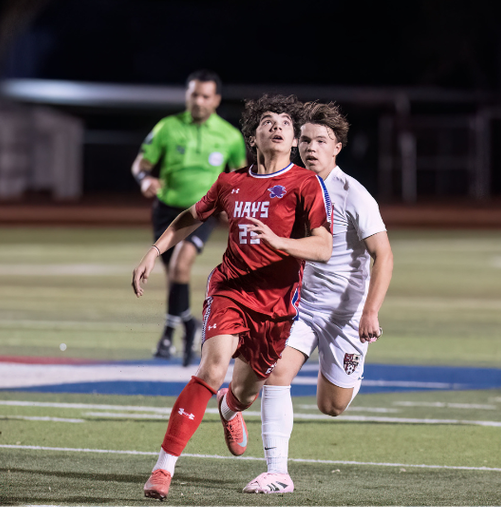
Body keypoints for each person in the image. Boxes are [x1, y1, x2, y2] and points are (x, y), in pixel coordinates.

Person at [132, 95, 333, 501]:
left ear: (294, 140)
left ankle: (228, 409)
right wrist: (154, 252)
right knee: (212, 367)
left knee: (245, 393)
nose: (277, 126)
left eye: (285, 124)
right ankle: (162, 468)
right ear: (253, 135)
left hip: (276, 306)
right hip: (230, 289)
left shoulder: (306, 184)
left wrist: (280, 242)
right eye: (268, 121)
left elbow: (323, 247)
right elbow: (190, 216)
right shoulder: (230, 182)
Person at [242, 101, 394, 495]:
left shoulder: (353, 194)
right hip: (302, 308)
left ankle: (350, 370)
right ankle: (278, 472)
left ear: (337, 147)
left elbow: (384, 255)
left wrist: (371, 311)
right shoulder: (288, 186)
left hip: (346, 316)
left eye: (320, 141)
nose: (310, 148)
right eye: (305, 140)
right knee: (277, 373)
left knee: (332, 406)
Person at [131, 70, 247, 366]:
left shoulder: (230, 136)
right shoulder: (167, 128)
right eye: (194, 94)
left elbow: (241, 177)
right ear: (187, 96)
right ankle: (184, 324)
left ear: (217, 100)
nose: (199, 101)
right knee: (174, 275)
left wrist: (231, 206)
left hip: (201, 213)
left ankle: (169, 334)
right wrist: (145, 179)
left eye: (206, 96)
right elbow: (141, 164)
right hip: (167, 211)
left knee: (181, 264)